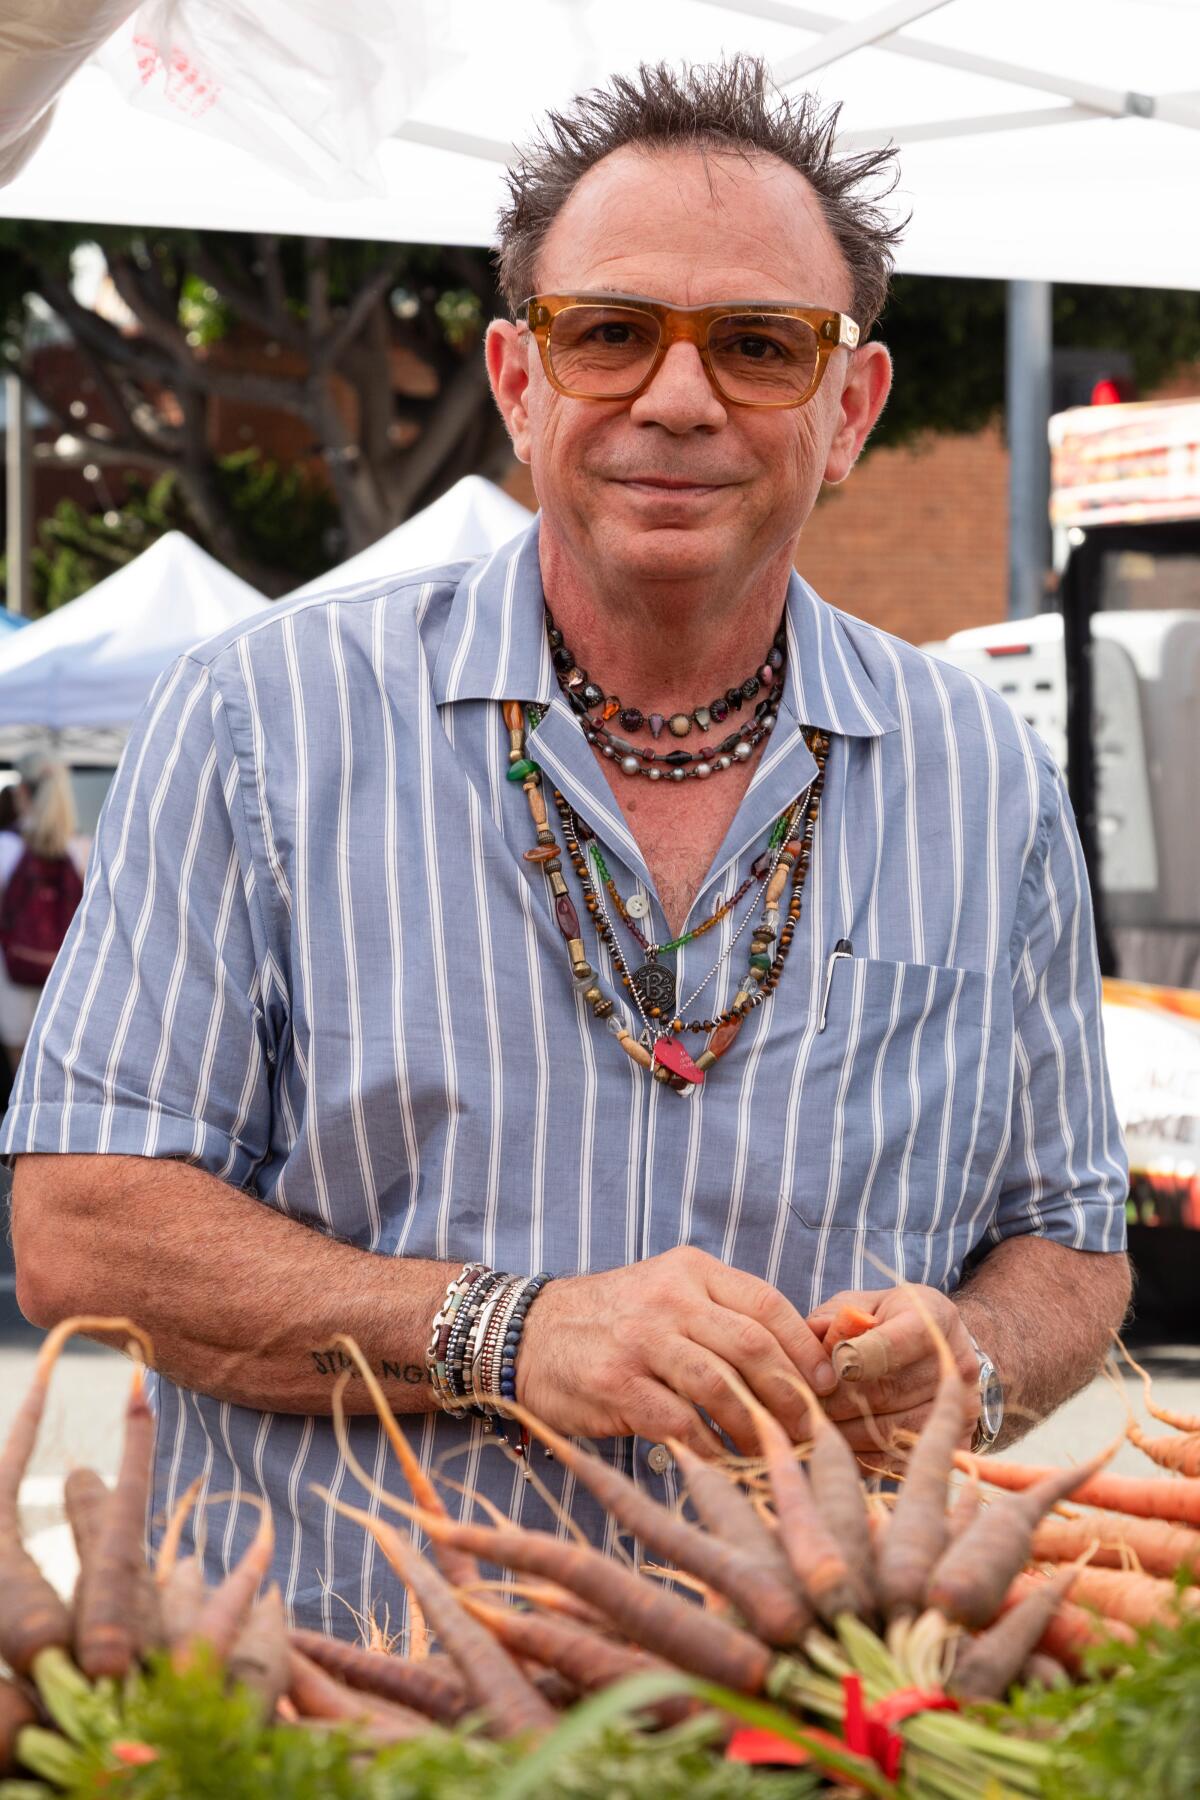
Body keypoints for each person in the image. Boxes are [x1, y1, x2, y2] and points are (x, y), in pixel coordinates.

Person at [5, 59, 1130, 1636]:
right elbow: (78, 1227)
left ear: (850, 407)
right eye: (611, 333)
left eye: (759, 346)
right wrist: (505, 1331)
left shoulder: (983, 778)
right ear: (522, 382)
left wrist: (975, 1359)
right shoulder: (267, 721)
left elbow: (1069, 1239)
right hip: (337, 1719)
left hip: (821, 1718)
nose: (679, 398)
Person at [0, 753, 86, 1073]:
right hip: (65, 975)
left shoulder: (6, 847)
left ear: (21, 792)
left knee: (19, 1069)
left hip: (12, 975)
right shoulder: (79, 848)